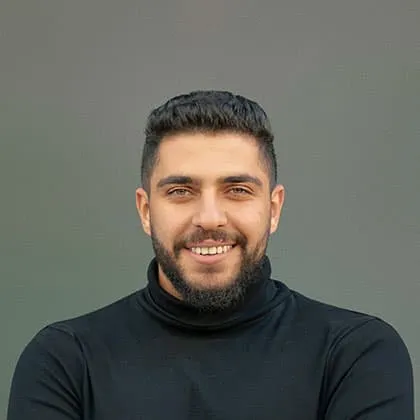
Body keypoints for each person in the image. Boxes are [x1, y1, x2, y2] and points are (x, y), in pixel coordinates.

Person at [7, 90, 414, 419]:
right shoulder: (65, 362)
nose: (209, 218)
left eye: (237, 190)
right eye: (180, 191)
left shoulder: (354, 354)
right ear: (146, 211)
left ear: (273, 209)